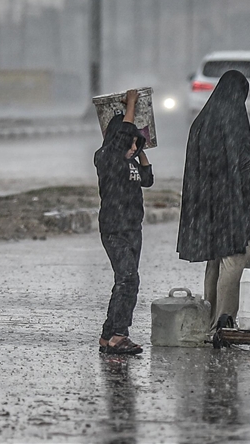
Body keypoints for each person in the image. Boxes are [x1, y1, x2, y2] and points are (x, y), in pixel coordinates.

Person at [177, 70, 250, 330]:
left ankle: (211, 318)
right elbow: (247, 164)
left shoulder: (202, 122)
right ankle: (224, 321)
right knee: (234, 261)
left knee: (215, 261)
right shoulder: (235, 120)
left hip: (208, 205)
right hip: (234, 205)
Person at [95, 89, 154, 355]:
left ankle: (109, 335)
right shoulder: (106, 158)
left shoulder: (130, 159)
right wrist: (131, 103)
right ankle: (119, 335)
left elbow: (148, 180)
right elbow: (121, 136)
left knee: (124, 280)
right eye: (128, 143)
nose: (131, 148)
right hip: (114, 228)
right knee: (129, 279)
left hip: (133, 228)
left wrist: (141, 148)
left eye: (134, 144)